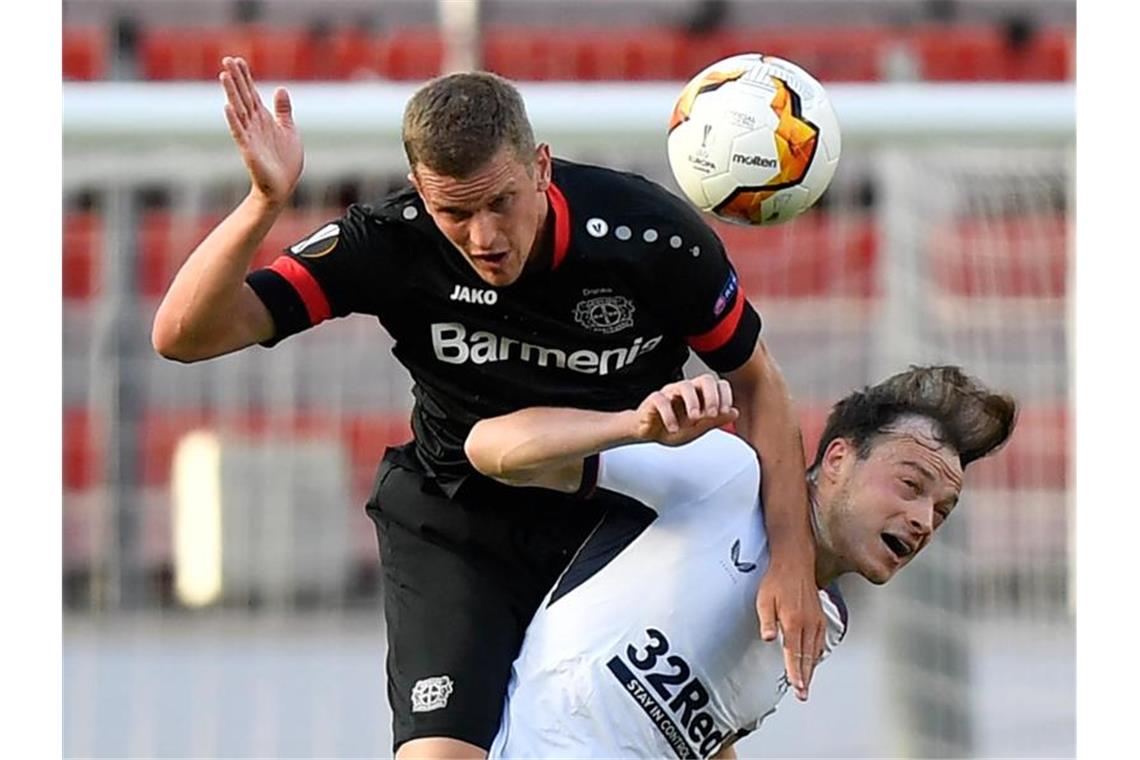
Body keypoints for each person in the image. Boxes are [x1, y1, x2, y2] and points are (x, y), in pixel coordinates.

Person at [151, 57, 825, 757]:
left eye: (500, 201)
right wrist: (263, 200)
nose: (484, 238)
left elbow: (759, 384)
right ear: (419, 191)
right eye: (455, 212)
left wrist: (792, 561)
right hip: (460, 520)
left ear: (539, 167)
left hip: (616, 520)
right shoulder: (390, 241)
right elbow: (183, 336)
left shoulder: (649, 238)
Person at [463, 365, 1016, 759]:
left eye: (941, 511)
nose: (923, 519)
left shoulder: (827, 622)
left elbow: (699, 734)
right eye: (910, 485)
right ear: (838, 459)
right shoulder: (727, 475)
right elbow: (488, 445)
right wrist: (632, 426)